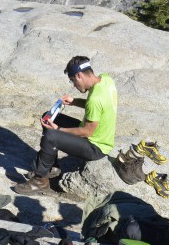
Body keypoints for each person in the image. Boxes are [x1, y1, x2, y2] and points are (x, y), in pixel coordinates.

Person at [14, 56, 116, 195]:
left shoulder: (95, 99)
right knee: (48, 117)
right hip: (97, 136)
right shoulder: (105, 80)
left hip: (96, 147)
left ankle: (39, 181)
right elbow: (98, 107)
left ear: (79, 75)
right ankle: (51, 167)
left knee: (51, 136)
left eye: (73, 80)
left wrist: (58, 130)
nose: (74, 85)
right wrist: (74, 101)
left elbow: (87, 132)